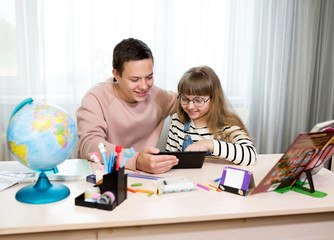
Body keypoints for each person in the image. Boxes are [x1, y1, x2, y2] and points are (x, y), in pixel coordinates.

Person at [76, 38, 179, 174]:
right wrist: (136, 161)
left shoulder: (159, 97)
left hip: (141, 177)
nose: (143, 86)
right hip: (100, 176)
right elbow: (89, 145)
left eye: (149, 77)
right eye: (134, 79)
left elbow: (194, 101)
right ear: (116, 75)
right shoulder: (96, 97)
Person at [166, 66, 257, 166]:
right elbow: (170, 161)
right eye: (185, 99)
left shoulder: (227, 123)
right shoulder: (177, 121)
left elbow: (250, 156)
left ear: (213, 99)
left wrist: (210, 144)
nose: (190, 106)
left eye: (199, 100)